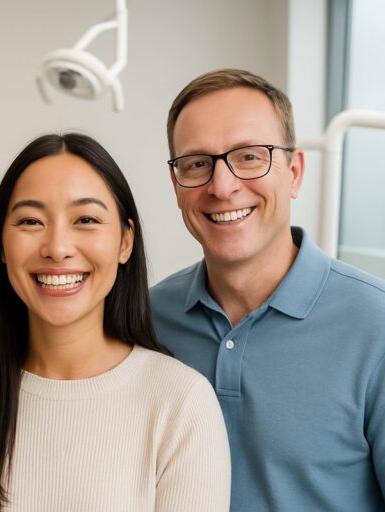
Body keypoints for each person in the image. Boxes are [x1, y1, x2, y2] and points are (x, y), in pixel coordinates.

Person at [0, 133, 230, 511]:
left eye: (86, 219)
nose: (58, 247)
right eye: (30, 220)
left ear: (125, 242)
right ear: (0, 245)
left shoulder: (181, 403)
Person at [151, 68, 385, 511]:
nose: (222, 187)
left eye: (250, 157)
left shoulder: (376, 327)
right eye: (197, 164)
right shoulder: (145, 319)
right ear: (176, 185)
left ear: (294, 172)